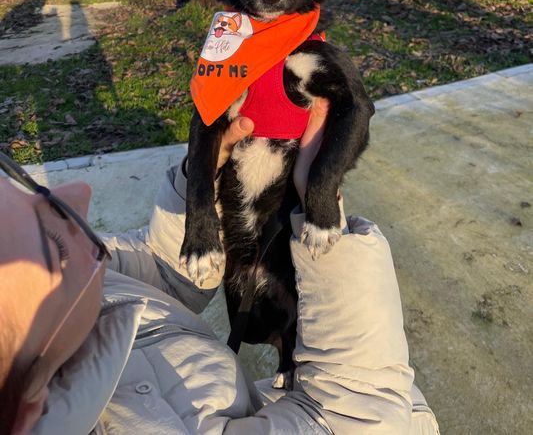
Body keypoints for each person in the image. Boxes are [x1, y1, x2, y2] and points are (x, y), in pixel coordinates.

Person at [0, 101, 439, 434]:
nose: (78, 193)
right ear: (27, 405)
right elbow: (358, 417)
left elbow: (165, 273)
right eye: (54, 244)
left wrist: (203, 186)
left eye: (17, 182)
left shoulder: (64, 299)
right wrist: (322, 218)